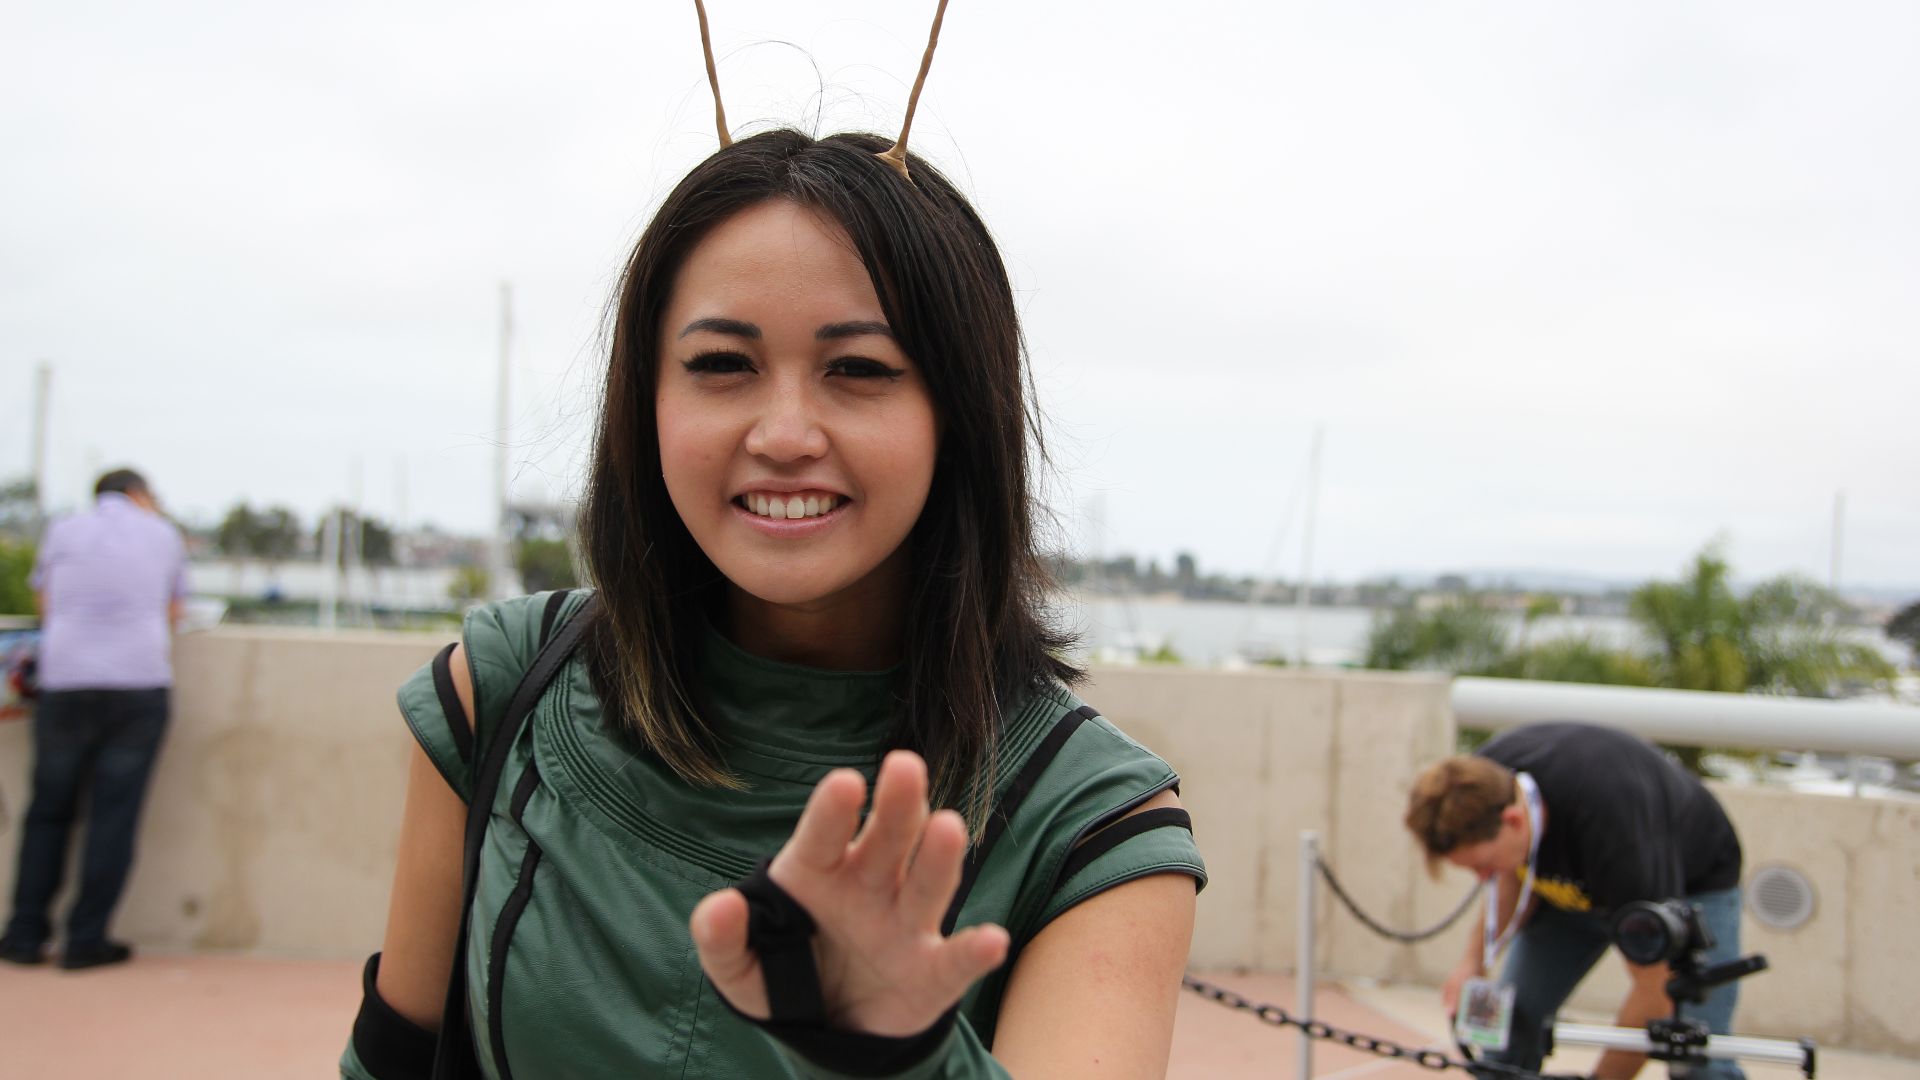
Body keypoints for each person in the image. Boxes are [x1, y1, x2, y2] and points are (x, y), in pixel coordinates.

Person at [341, 128, 1207, 1079]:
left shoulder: (1091, 822)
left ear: (957, 417)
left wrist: (901, 1048)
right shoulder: (506, 689)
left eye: (860, 370)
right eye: (722, 364)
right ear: (647, 401)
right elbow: (390, 1064)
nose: (785, 434)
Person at [1405, 722, 1746, 1080]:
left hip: (1686, 887)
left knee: (1698, 1053)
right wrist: (1472, 963)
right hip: (1567, 888)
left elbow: (1654, 996)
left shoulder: (1619, 834)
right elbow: (1509, 873)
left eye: (1482, 866)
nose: (1482, 879)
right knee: (1510, 1031)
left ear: (1515, 820)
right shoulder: (1481, 782)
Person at [0, 468, 189, 970]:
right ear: (138, 494)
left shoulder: (62, 529)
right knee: (113, 816)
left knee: (47, 812)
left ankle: (23, 935)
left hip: (65, 683)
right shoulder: (163, 533)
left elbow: (45, 600)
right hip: (137, 685)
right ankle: (85, 941)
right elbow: (174, 609)